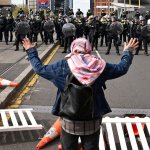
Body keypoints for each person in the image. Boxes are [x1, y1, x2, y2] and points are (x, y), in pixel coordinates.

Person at [22, 37, 138, 150]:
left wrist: (31, 50)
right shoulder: (100, 66)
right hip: (93, 119)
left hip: (69, 120)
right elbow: (122, 68)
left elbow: (39, 69)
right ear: (88, 49)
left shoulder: (62, 65)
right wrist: (127, 51)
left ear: (73, 48)